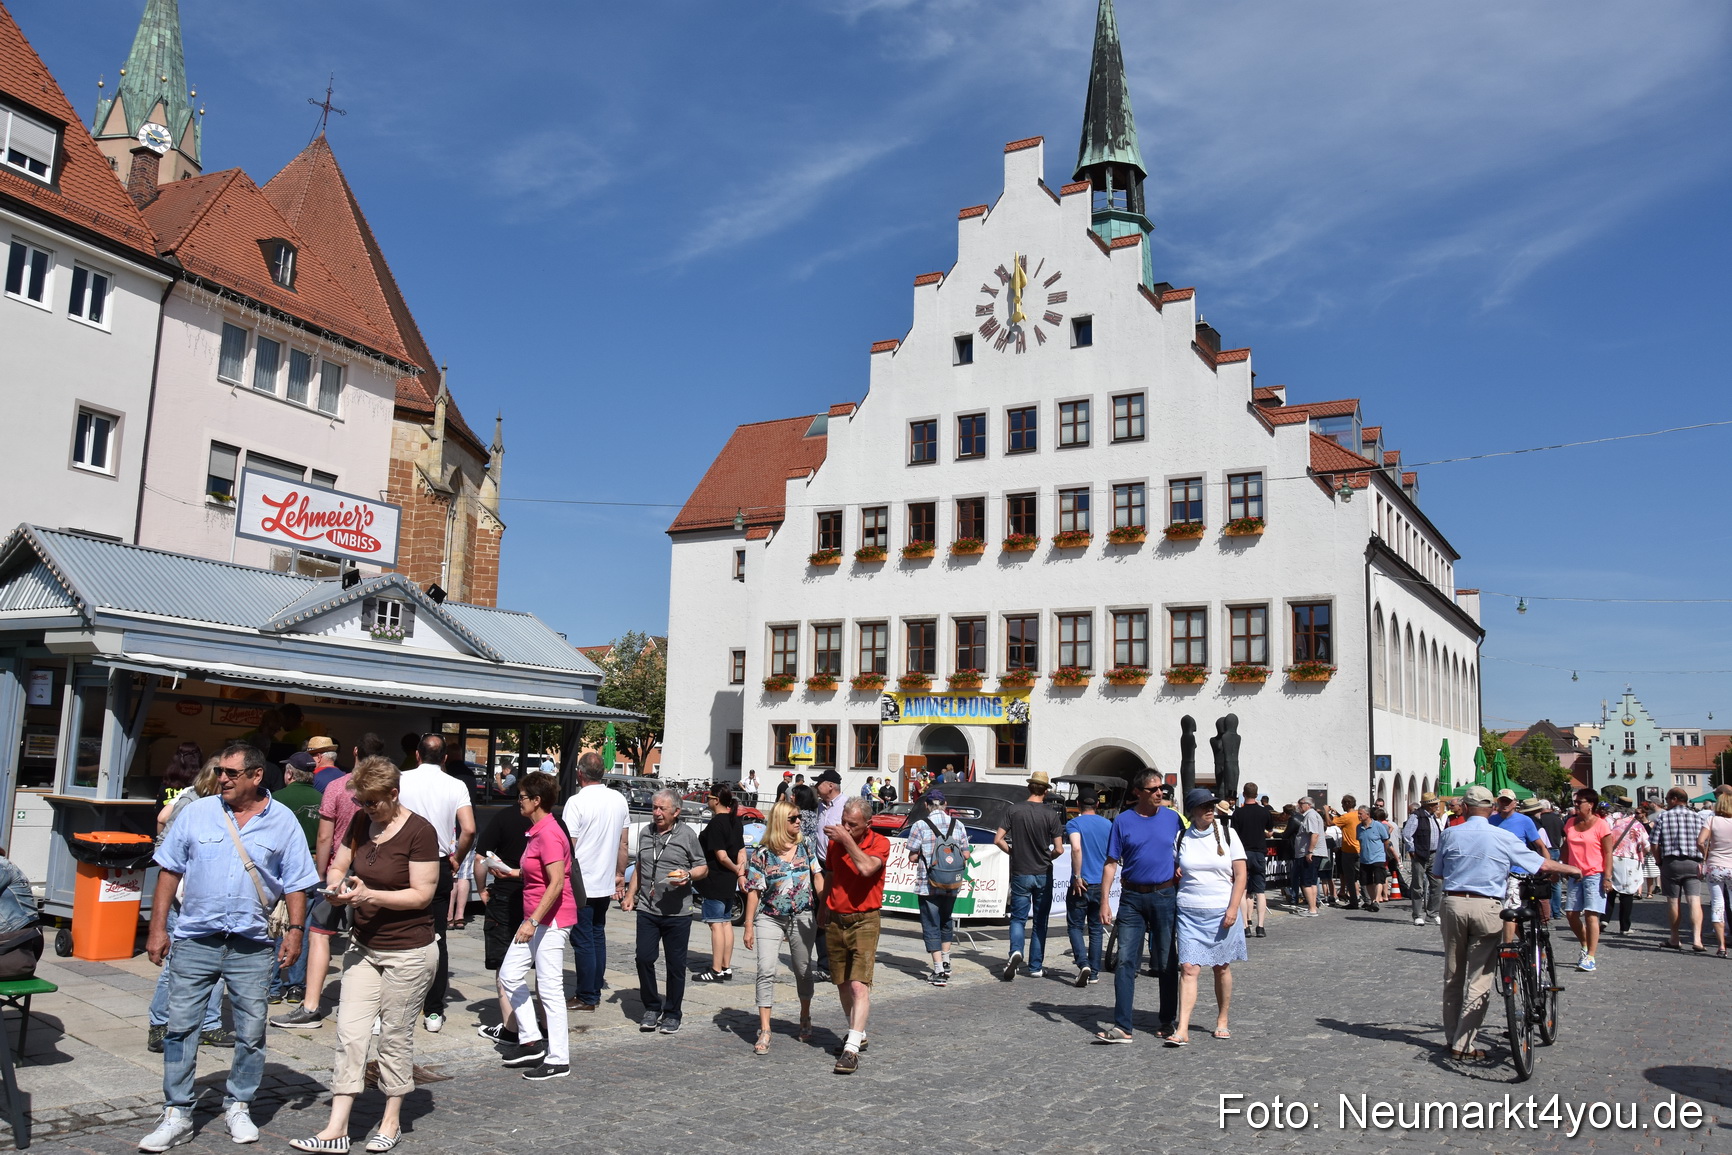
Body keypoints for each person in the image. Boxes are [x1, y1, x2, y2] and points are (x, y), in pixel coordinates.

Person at [140, 742, 317, 1152]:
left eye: (231, 773)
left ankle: (239, 1104)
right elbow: (168, 871)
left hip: (251, 945)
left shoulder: (283, 821)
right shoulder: (198, 812)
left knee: (251, 1031)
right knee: (181, 1028)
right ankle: (177, 1112)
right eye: (220, 771)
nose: (221, 779)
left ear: (256, 775)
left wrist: (294, 932)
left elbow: (296, 882)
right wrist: (157, 927)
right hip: (195, 938)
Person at [290, 757, 439, 1152]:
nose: (367, 808)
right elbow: (339, 864)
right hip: (364, 945)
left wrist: (370, 895)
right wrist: (337, 886)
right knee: (350, 1034)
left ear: (394, 794)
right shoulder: (359, 821)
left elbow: (422, 895)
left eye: (373, 802)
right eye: (362, 801)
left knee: (394, 1036)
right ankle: (336, 1129)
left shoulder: (420, 832)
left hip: (409, 950)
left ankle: (391, 1121)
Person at [1431, 784, 1580, 1062]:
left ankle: (1452, 1037)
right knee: (1480, 976)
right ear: (1491, 809)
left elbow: (1438, 872)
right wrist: (1571, 869)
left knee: (1453, 975)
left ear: (1465, 807)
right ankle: (1463, 1044)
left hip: (1453, 904)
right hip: (1487, 906)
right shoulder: (1501, 835)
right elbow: (1541, 864)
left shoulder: (1450, 833)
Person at [486, 771, 580, 1081]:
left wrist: (533, 921)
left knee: (550, 989)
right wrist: (511, 872)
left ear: (537, 800)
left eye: (523, 797)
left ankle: (559, 1058)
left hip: (550, 920)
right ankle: (531, 1042)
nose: (519, 801)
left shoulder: (549, 833)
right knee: (509, 974)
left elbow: (556, 883)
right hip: (537, 919)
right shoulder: (537, 831)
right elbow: (538, 872)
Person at [1094, 768, 1183, 1044]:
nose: (1159, 793)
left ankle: (1167, 1020)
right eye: (1153, 789)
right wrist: (1105, 901)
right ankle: (1123, 1026)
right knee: (1125, 961)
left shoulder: (1173, 818)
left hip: (1164, 895)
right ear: (1138, 792)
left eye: (1161, 789)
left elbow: (1187, 848)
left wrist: (1182, 868)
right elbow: (1111, 863)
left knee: (1166, 960)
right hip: (1132, 898)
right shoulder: (1123, 821)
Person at [397, 733, 475, 1032]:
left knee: (395, 932)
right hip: (437, 862)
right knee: (437, 936)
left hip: (402, 863)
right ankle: (433, 1010)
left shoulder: (400, 779)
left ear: (417, 755)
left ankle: (393, 1006)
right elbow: (469, 829)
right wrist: (457, 857)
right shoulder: (455, 785)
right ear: (444, 758)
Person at [148, 758, 227, 1052]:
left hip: (216, 898)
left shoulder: (229, 807)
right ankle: (160, 1022)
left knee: (219, 960)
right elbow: (164, 846)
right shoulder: (191, 803)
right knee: (176, 962)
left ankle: (210, 1024)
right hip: (184, 898)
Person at [742, 799, 825, 1054]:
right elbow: (754, 891)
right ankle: (765, 1029)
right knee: (765, 969)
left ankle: (805, 1015)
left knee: (803, 970)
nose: (799, 821)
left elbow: (817, 875)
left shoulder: (806, 845)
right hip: (770, 917)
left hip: (802, 915)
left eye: (799, 817)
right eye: (793, 818)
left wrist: (825, 905)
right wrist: (748, 925)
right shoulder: (762, 853)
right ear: (780, 822)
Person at [622, 789, 707, 1034]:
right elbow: (641, 865)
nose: (657, 812)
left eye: (662, 808)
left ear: (676, 812)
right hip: (647, 909)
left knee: (675, 965)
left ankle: (672, 1013)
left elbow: (702, 867)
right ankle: (651, 1006)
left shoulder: (687, 835)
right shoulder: (646, 833)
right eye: (654, 807)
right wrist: (630, 894)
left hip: (677, 912)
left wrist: (688, 875)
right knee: (644, 958)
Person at [1169, 789, 1247, 1046]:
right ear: (1192, 811)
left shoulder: (1228, 834)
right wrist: (1176, 870)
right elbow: (1174, 866)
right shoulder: (1182, 837)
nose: (1210, 810)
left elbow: (1241, 874)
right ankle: (1182, 1028)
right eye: (1204, 806)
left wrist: (1233, 908)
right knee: (1188, 968)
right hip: (1189, 911)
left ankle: (1222, 1019)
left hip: (1221, 911)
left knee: (1220, 967)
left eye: (1211, 805)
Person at [562, 751, 630, 1014]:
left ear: (579, 773)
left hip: (581, 880)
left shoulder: (576, 802)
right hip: (604, 879)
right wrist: (620, 875)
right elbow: (623, 843)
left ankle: (587, 995)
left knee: (583, 940)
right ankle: (594, 986)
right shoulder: (618, 799)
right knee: (597, 934)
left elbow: (568, 845)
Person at [823, 797, 888, 1074]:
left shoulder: (880, 843)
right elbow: (830, 875)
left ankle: (851, 1050)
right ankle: (857, 1033)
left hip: (865, 920)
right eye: (844, 823)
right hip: (837, 918)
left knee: (859, 985)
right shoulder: (835, 843)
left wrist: (846, 840)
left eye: (853, 825)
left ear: (868, 824)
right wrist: (822, 907)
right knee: (842, 983)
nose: (846, 828)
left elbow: (866, 868)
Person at [995, 770, 1065, 980]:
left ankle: (1016, 952)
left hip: (1021, 870)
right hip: (1043, 871)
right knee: (1040, 921)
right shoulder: (1051, 814)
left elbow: (998, 839)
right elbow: (1059, 849)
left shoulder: (1014, 810)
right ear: (1046, 791)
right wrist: (1048, 856)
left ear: (1029, 788)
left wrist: (1013, 852)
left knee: (1018, 918)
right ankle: (1035, 966)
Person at [269, 758, 323, 1005]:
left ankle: (272, 985)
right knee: (302, 926)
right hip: (310, 865)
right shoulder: (321, 798)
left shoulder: (277, 798)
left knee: (276, 925)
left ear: (289, 774)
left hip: (281, 865)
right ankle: (295, 985)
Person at [905, 788, 968, 985]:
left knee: (931, 923)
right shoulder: (958, 824)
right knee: (946, 919)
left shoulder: (920, 825)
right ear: (945, 805)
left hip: (928, 883)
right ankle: (947, 961)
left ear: (926, 805)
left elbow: (912, 856)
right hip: (952, 881)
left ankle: (938, 970)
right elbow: (966, 854)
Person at [694, 786, 746, 982]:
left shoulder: (717, 823)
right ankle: (726, 967)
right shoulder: (736, 821)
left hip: (715, 878)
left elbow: (721, 856)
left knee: (716, 924)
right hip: (728, 880)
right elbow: (741, 851)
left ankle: (716, 970)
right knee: (725, 922)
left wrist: (736, 869)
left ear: (716, 800)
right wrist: (740, 871)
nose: (707, 800)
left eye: (708, 797)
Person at [1558, 789, 1614, 971]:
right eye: (1575, 802)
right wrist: (1562, 866)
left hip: (1595, 874)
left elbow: (1608, 853)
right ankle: (1584, 944)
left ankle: (1591, 956)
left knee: (1591, 915)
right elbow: (1566, 847)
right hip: (1575, 874)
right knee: (1571, 914)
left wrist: (1607, 877)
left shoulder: (1601, 825)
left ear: (1590, 804)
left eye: (1579, 802)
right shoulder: (1570, 822)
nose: (1576, 805)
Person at [1065, 788, 1112, 983]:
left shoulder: (1074, 823)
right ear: (1097, 804)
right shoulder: (1108, 824)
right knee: (1096, 928)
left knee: (1075, 927)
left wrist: (1077, 875)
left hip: (1081, 883)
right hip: (1100, 882)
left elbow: (1076, 848)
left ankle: (1083, 963)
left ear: (1078, 805)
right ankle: (1093, 972)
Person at [1654, 787, 1707, 952]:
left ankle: (1675, 938)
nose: (1667, 803)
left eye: (1667, 799)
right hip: (1693, 862)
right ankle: (1697, 939)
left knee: (1673, 901)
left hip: (1672, 862)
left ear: (1674, 799)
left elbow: (1654, 843)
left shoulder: (1663, 816)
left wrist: (1658, 861)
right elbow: (1704, 842)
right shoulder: (1698, 817)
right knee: (1694, 900)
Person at [1228, 783, 1273, 938]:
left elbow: (1233, 834)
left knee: (1242, 890)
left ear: (1244, 794)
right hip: (1259, 852)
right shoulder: (1264, 812)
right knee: (1260, 892)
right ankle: (1260, 927)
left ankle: (1245, 926)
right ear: (1257, 794)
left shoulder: (1238, 813)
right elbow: (1270, 830)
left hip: (1242, 853)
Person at [1605, 803, 1650, 936]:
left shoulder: (1612, 822)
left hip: (1612, 857)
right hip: (1630, 859)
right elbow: (1646, 846)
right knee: (1627, 894)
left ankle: (1604, 919)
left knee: (1610, 889)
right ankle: (1624, 927)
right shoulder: (1637, 825)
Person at [1401, 792, 1445, 927]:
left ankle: (1432, 914)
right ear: (1428, 805)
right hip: (1420, 855)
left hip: (1434, 854)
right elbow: (1407, 834)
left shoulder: (1434, 817)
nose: (1437, 806)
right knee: (1418, 886)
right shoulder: (1416, 816)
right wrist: (1412, 850)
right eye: (1434, 804)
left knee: (1437, 885)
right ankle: (1417, 915)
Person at [1697, 793, 1732, 957]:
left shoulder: (1711, 820)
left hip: (1715, 866)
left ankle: (1721, 946)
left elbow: (1700, 841)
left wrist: (1708, 852)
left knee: (1718, 904)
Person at [1328, 796, 1363, 908]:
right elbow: (1348, 821)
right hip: (1360, 849)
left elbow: (1329, 823)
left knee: (1350, 878)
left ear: (1346, 804)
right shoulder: (1358, 814)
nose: (1341, 806)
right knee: (1362, 876)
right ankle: (1367, 900)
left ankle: (1353, 901)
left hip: (1349, 850)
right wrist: (1337, 814)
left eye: (1342, 804)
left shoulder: (1346, 817)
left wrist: (1326, 811)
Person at [1292, 797, 1324, 916]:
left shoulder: (1310, 815)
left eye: (1301, 804)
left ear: (1308, 805)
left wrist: (1310, 851)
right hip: (1312, 853)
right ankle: (1313, 906)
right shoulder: (1312, 815)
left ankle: (1312, 909)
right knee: (1312, 881)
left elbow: (1314, 834)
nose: (1299, 806)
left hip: (1309, 853)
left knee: (1306, 882)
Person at [1358, 805, 1392, 912]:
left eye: (1360, 814)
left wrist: (1383, 852)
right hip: (1364, 858)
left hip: (1378, 857)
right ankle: (1373, 901)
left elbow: (1386, 841)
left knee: (1378, 880)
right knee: (1367, 881)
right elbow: (1360, 841)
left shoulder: (1378, 826)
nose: (1359, 816)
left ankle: (1377, 900)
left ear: (1367, 815)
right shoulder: (1359, 828)